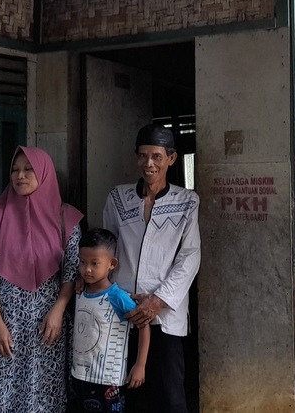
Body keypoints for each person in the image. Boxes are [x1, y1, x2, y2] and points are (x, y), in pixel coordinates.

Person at [0, 146, 83, 413]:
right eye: (14, 170)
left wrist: (58, 311)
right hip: (5, 324)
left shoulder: (66, 218)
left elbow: (71, 272)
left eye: (28, 169)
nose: (19, 176)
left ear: (44, 173)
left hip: (47, 326)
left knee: (41, 395)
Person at [102, 123, 201, 413]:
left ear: (171, 158)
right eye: (143, 156)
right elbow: (107, 247)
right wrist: (96, 281)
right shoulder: (118, 198)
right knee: (126, 393)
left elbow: (190, 256)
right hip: (123, 309)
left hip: (165, 315)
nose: (149, 164)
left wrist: (157, 301)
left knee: (170, 396)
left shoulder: (186, 202)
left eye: (157, 156)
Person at [68, 228, 150, 413]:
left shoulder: (118, 296)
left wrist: (140, 365)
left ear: (112, 264)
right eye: (82, 262)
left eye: (94, 263)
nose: (87, 269)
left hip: (108, 380)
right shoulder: (80, 292)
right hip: (80, 376)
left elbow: (144, 326)